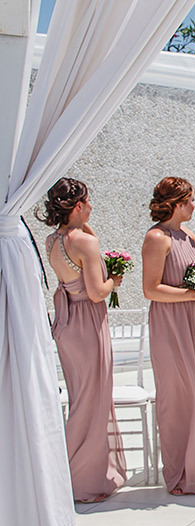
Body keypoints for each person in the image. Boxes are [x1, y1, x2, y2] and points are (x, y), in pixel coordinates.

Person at [40, 178, 126, 503]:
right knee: (93, 399)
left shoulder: (53, 239)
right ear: (78, 206)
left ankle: (71, 473)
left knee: (81, 398)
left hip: (67, 323)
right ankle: (81, 481)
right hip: (88, 323)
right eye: (88, 202)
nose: (92, 206)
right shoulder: (83, 243)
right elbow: (96, 292)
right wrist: (114, 280)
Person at [142, 176, 195, 496]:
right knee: (177, 398)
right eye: (190, 201)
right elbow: (151, 289)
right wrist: (192, 295)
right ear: (177, 204)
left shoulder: (187, 233)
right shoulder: (157, 238)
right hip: (171, 325)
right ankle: (178, 474)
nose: (194, 205)